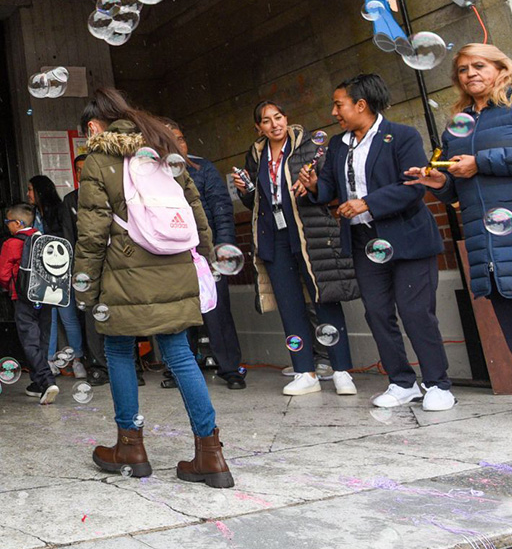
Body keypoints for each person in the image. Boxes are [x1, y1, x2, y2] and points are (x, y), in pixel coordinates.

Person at [74, 88, 234, 489]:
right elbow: (196, 209)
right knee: (180, 353)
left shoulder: (99, 160)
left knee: (118, 350)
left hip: (124, 272)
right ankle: (210, 454)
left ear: (94, 126)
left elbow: (92, 233)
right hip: (175, 264)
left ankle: (130, 447)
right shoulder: (161, 145)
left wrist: (86, 289)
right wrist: (207, 258)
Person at [298, 73, 454, 411]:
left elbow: (414, 186)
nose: (334, 112)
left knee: (415, 312)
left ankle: (438, 384)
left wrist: (366, 203)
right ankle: (401, 382)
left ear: (361, 104)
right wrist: (313, 187)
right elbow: (329, 189)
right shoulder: (338, 144)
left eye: (338, 104)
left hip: (408, 238)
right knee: (378, 313)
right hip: (363, 240)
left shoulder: (402, 136)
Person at [407, 44, 512, 418]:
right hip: (486, 242)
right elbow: (456, 190)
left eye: (479, 65)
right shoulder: (457, 124)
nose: (470, 73)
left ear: (500, 67)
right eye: (462, 69)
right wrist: (439, 183)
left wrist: (482, 162)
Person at [234, 102, 358, 397]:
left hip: (309, 232)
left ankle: (341, 371)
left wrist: (313, 186)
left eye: (278, 117)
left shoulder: (308, 145)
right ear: (258, 128)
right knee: (289, 305)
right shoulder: (256, 154)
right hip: (273, 237)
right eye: (266, 121)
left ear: (286, 118)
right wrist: (245, 190)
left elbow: (329, 189)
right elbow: (256, 202)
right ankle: (305, 372)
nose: (275, 124)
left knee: (325, 300)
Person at [162, 120, 246, 390]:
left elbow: (222, 209)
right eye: (171, 139)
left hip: (207, 252)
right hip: (173, 254)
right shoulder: (154, 175)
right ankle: (180, 369)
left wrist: (223, 248)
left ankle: (230, 368)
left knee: (217, 312)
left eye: (181, 138)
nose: (179, 144)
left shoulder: (203, 168)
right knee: (178, 314)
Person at [0, 204, 59, 405]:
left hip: (23, 298)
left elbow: (1, 273)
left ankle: (47, 381)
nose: (7, 225)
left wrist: (13, 287)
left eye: (8, 222)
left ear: (18, 223)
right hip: (46, 297)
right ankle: (37, 383)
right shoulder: (44, 240)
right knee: (43, 339)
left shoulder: (11, 244)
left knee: (29, 340)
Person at [28, 175, 85, 379]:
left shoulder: (59, 210)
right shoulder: (33, 214)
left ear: (40, 191)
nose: (28, 194)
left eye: (31, 189)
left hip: (60, 268)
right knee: (48, 318)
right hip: (42, 271)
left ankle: (77, 359)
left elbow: (66, 239)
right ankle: (49, 359)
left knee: (67, 317)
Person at [65, 152, 109, 384]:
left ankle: (132, 366)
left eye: (87, 168)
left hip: (111, 263)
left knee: (118, 313)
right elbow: (69, 236)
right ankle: (99, 366)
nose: (83, 173)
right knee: (92, 317)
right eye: (79, 170)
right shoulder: (71, 200)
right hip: (87, 266)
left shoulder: (109, 193)